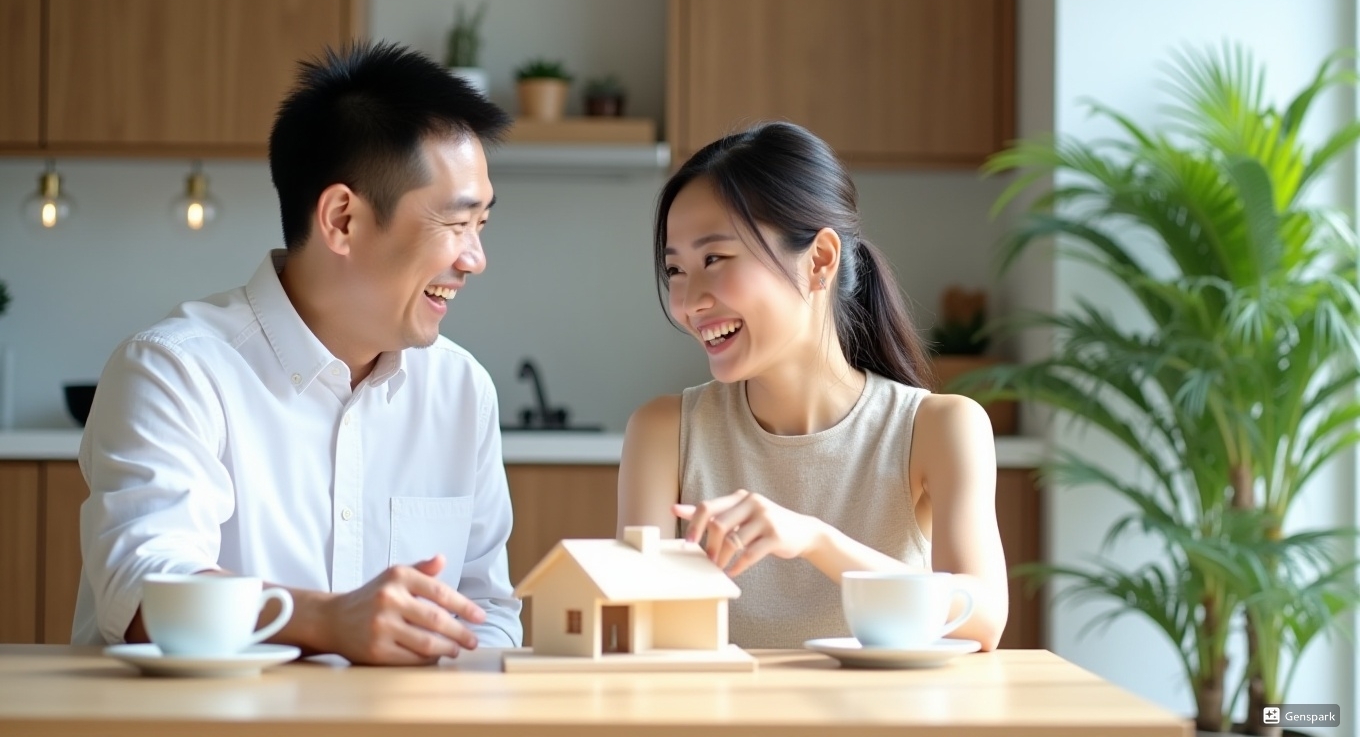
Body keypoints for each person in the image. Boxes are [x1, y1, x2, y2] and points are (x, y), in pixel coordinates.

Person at [73, 41, 521, 664]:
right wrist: (329, 621)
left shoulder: (461, 390)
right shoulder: (174, 371)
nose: (475, 259)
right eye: (456, 223)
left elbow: (490, 611)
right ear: (341, 219)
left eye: (482, 225)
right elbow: (145, 589)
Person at [616, 122, 1008, 650]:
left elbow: (983, 618)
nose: (689, 302)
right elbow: (642, 634)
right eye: (676, 270)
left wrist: (814, 539)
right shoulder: (664, 432)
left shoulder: (939, 427)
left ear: (820, 259)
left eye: (714, 259)